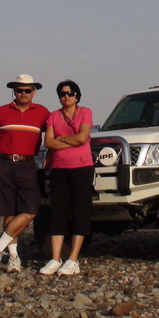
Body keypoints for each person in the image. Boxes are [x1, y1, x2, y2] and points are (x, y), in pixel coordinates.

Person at [0, 74, 50, 274]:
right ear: (14, 91)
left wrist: (50, 156)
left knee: (30, 209)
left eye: (27, 90)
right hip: (4, 163)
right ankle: (13, 258)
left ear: (34, 92)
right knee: (9, 212)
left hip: (28, 165)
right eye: (19, 90)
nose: (23, 93)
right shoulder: (1, 112)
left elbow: (53, 134)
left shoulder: (42, 113)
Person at [38, 79, 94, 276]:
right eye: (62, 94)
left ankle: (73, 259)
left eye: (69, 93)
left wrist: (61, 139)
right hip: (59, 168)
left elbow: (82, 137)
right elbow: (49, 142)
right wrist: (69, 141)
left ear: (77, 95)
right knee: (58, 211)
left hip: (82, 167)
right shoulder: (53, 116)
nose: (66, 97)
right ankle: (55, 258)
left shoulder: (85, 112)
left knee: (80, 210)